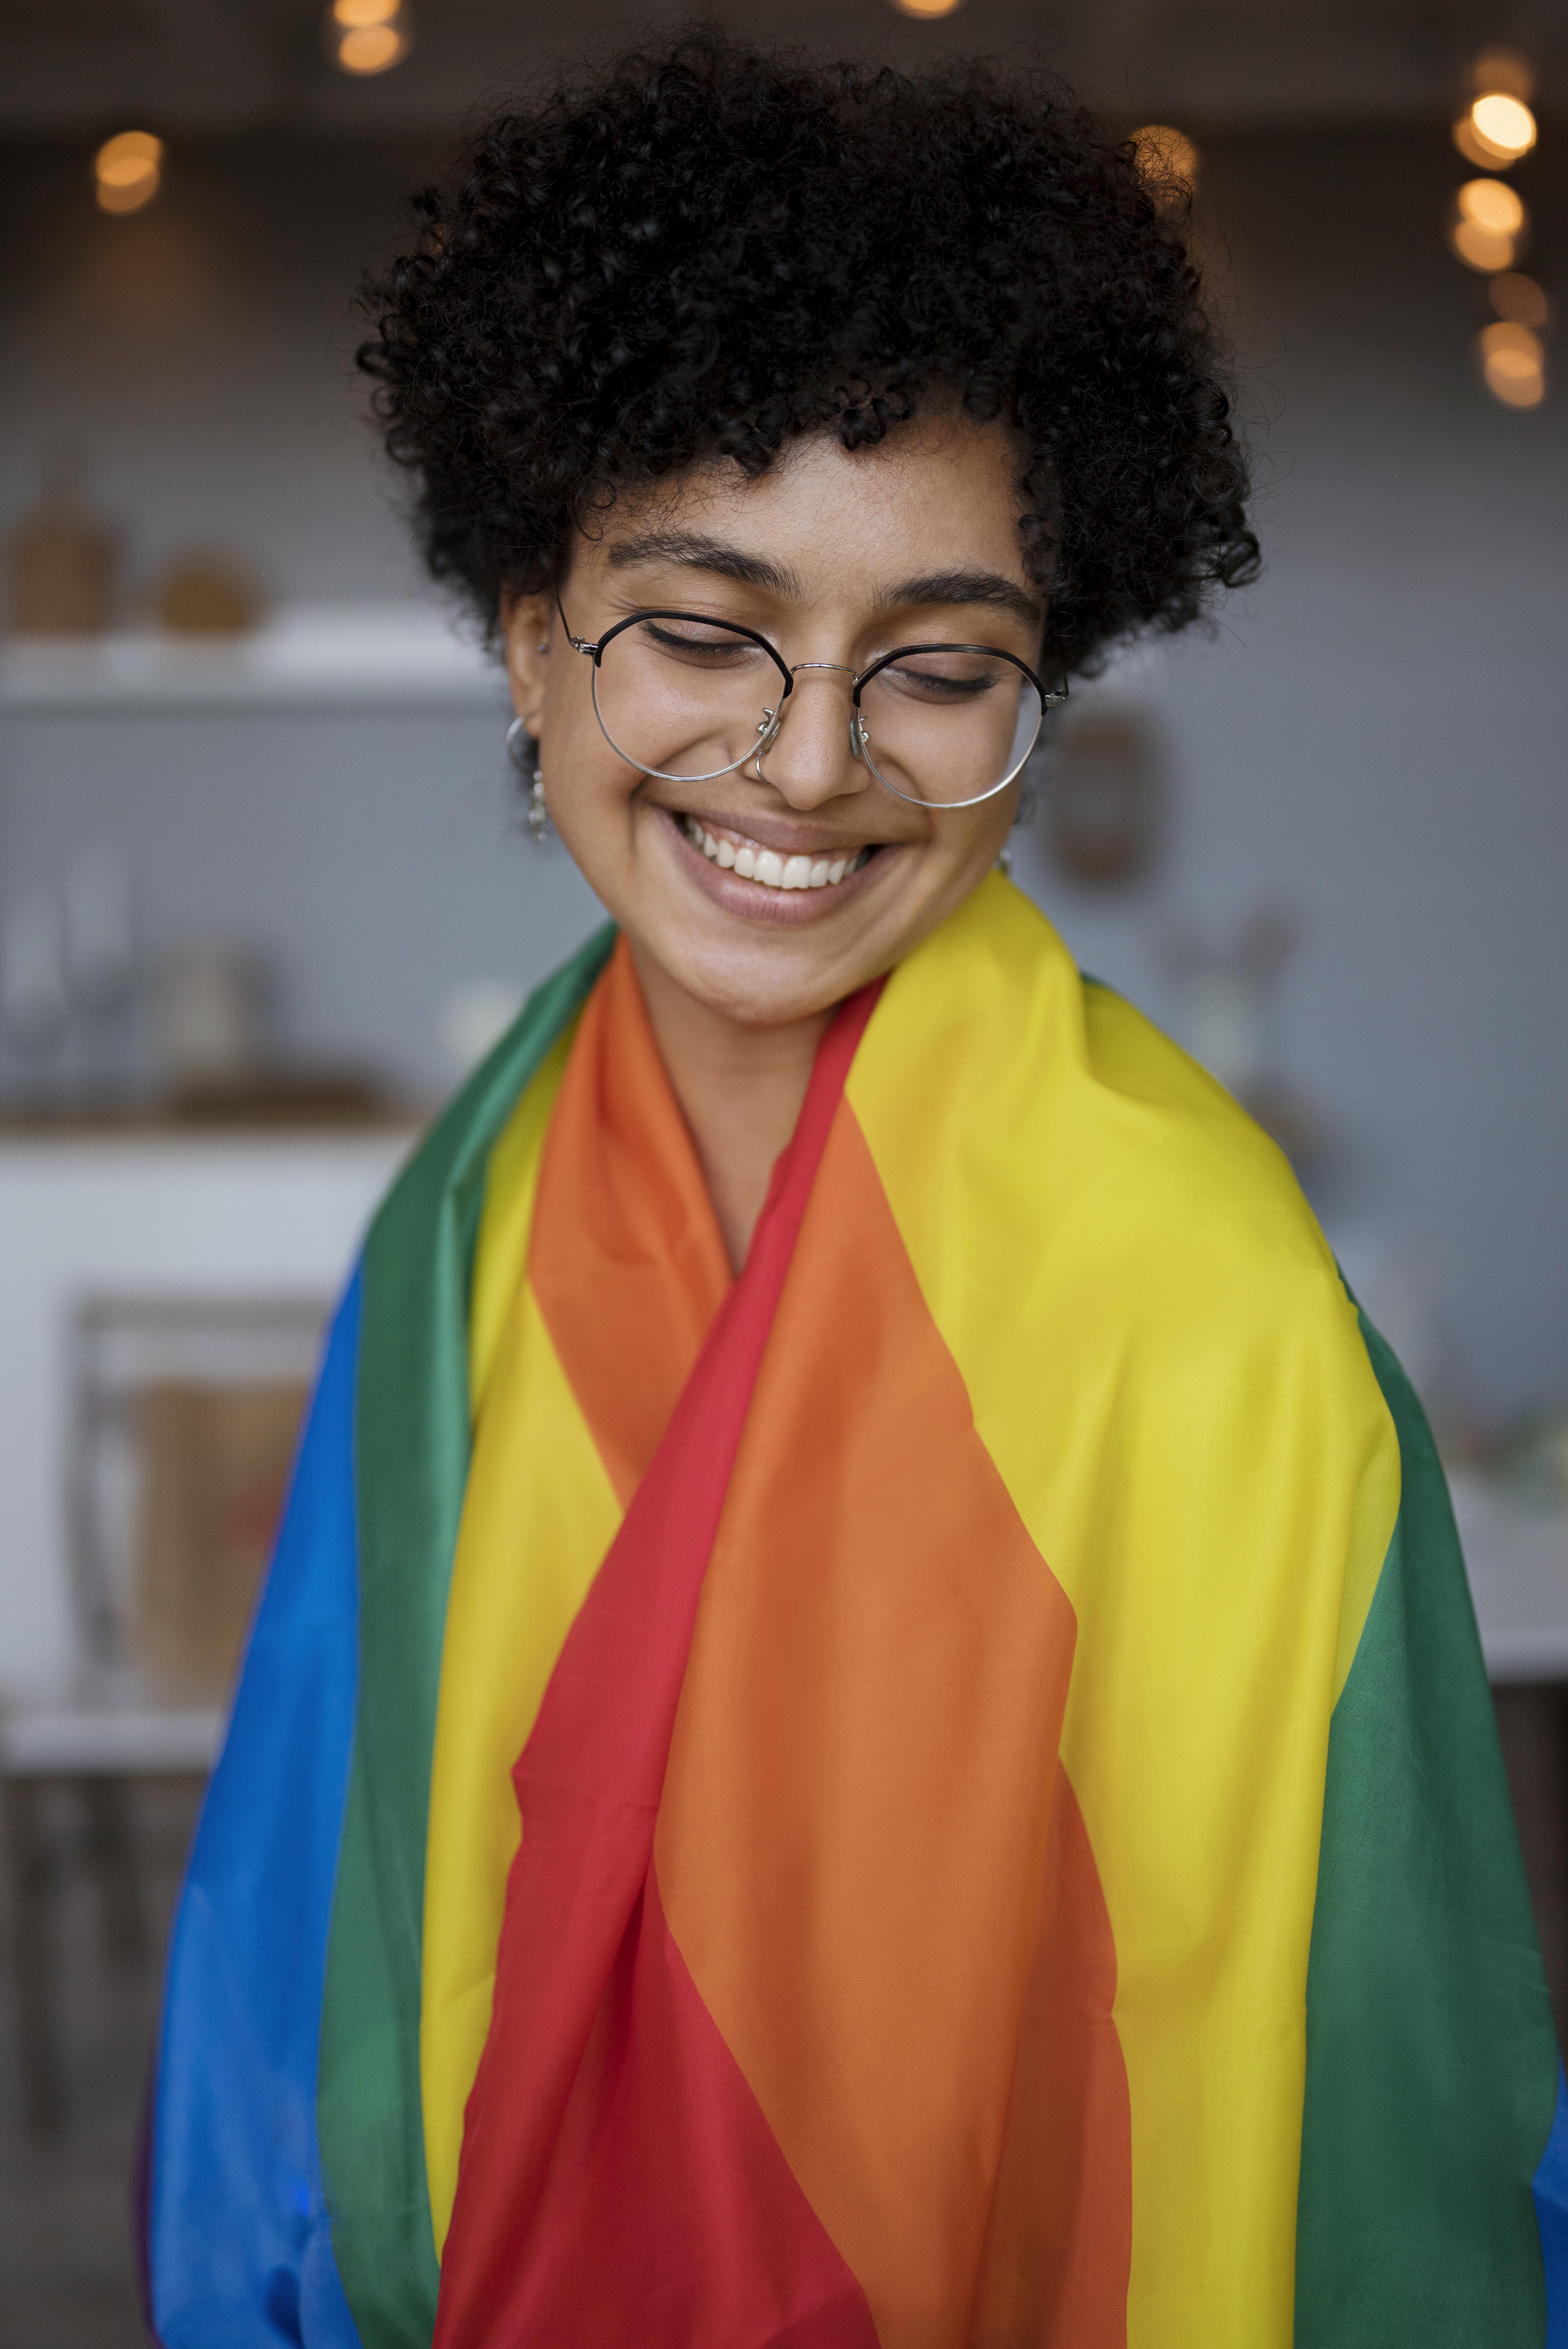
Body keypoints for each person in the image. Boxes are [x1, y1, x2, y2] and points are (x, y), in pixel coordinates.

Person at [142, 30, 1566, 2349]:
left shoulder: (1204, 1302)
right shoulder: (458, 1224)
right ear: (531, 646)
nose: (807, 758)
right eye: (702, 630)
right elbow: (302, 1958)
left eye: (937, 669)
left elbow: (1359, 2093)